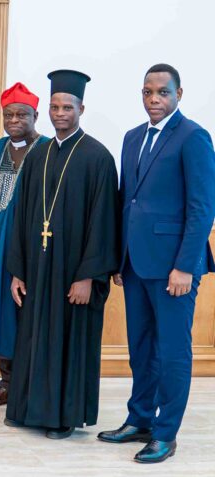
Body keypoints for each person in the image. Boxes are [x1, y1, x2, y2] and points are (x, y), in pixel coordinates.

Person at [98, 64, 215, 463]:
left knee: (172, 352)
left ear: (179, 94)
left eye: (162, 93)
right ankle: (140, 419)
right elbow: (125, 201)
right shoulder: (132, 138)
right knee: (141, 348)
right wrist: (118, 257)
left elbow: (202, 208)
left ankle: (166, 433)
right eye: (147, 93)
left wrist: (185, 266)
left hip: (173, 270)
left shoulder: (194, 137)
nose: (154, 100)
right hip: (135, 264)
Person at [6, 69, 119, 439]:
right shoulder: (38, 156)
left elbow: (104, 222)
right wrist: (18, 270)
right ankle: (27, 409)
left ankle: (62, 417)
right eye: (54, 107)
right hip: (38, 270)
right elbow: (21, 216)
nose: (60, 113)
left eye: (67, 107)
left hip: (73, 273)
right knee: (34, 337)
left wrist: (89, 275)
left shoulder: (98, 157)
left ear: (81, 108)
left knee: (68, 341)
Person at [0, 83, 46, 408]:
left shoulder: (47, 151)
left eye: (21, 114)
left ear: (35, 115)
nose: (14, 120)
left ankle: (30, 388)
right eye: (8, 114)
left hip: (34, 248)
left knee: (28, 315)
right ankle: (6, 384)